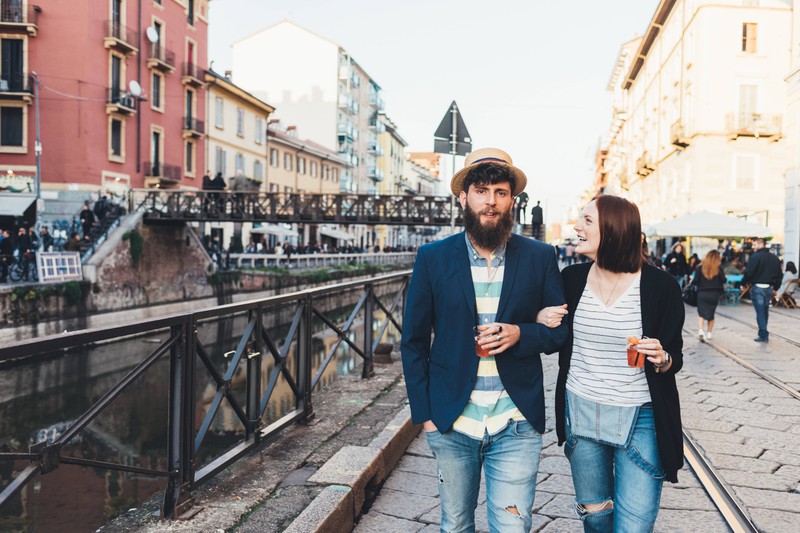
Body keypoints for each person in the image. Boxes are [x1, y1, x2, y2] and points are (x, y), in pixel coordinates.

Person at [401, 148, 568, 532]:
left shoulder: (540, 256)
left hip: (515, 422)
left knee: (512, 527)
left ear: (513, 200)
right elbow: (412, 342)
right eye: (480, 190)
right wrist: (424, 415)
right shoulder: (433, 257)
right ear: (463, 197)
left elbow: (560, 332)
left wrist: (522, 333)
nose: (490, 201)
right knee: (456, 524)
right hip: (451, 421)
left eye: (500, 192)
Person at [538, 195, 684, 532]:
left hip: (641, 417)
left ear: (614, 230)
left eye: (587, 221)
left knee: (634, 526)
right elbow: (549, 332)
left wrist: (662, 358)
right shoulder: (571, 280)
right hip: (582, 410)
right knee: (596, 517)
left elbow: (673, 358)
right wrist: (540, 316)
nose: (577, 227)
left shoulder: (661, 286)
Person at [742, 238, 783, 342]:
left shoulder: (755, 257)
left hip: (758, 288)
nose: (753, 247)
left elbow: (749, 272)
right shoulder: (774, 258)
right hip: (769, 288)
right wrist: (776, 287)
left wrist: (743, 283)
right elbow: (779, 274)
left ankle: (763, 334)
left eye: (755, 245)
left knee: (760, 311)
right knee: (765, 311)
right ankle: (763, 332)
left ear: (761, 245)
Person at [689, 250, 726, 340]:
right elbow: (723, 280)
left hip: (702, 293)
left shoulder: (700, 267)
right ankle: (709, 333)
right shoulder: (719, 268)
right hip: (714, 294)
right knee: (711, 314)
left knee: (701, 313)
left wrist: (692, 279)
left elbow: (695, 281)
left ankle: (701, 330)